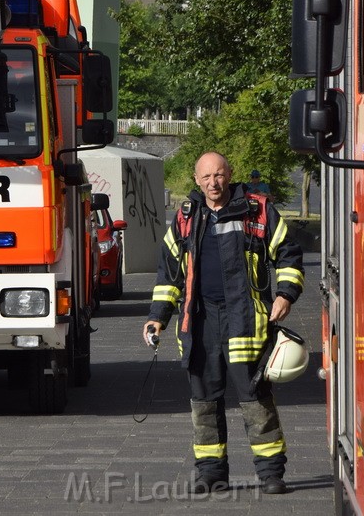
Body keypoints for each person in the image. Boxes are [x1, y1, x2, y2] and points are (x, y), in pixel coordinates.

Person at [143, 152, 305, 495]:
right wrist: (157, 317)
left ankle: (271, 474)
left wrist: (285, 294)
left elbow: (288, 253)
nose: (213, 183)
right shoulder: (186, 217)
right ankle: (211, 473)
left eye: (218, 176)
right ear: (195, 178)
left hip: (245, 319)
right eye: (205, 178)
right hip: (200, 320)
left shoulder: (257, 210)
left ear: (229, 174)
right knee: (204, 400)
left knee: (254, 396)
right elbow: (169, 274)